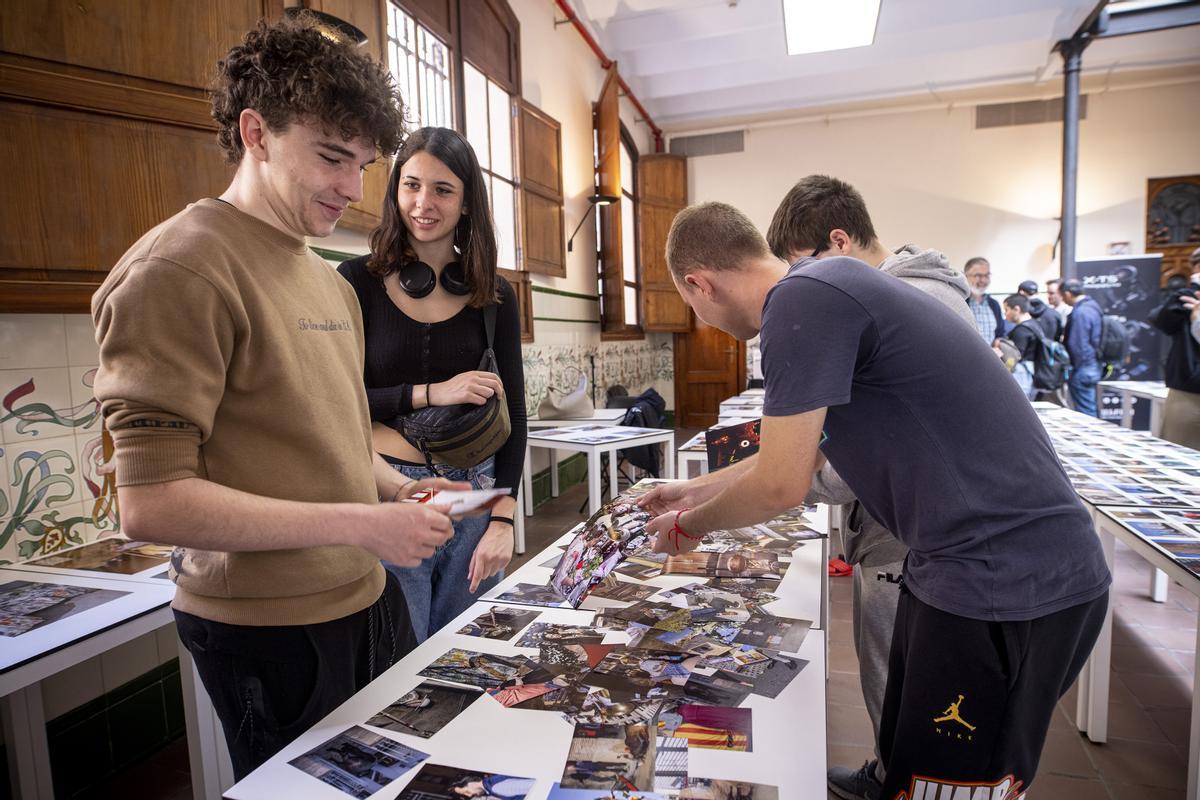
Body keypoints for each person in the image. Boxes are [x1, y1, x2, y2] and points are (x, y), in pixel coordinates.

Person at [90, 16, 468, 778]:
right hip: (269, 630)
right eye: (332, 158)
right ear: (256, 132)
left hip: (366, 601)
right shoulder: (180, 270)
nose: (353, 190)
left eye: (365, 165)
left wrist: (397, 488)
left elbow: (325, 439)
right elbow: (151, 504)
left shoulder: (322, 275)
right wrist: (365, 525)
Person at [639, 202, 1109, 800]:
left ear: (697, 283)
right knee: (910, 755)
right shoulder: (826, 287)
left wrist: (688, 526)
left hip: (1007, 581)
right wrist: (691, 488)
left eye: (692, 306)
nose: (702, 319)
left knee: (955, 785)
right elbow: (804, 454)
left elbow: (781, 485)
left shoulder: (800, 306)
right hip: (953, 560)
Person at [762, 174, 975, 799]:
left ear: (839, 240)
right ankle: (891, 772)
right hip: (895, 521)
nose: (802, 288)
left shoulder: (913, 302)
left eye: (804, 267)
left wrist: (784, 473)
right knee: (894, 674)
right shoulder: (901, 297)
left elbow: (873, 449)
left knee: (911, 682)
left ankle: (901, 782)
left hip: (914, 528)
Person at [337, 127, 527, 641]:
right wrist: (429, 393)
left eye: (443, 190)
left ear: (466, 203)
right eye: (411, 185)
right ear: (395, 188)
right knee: (401, 652)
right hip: (391, 488)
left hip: (473, 489)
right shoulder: (353, 282)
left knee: (469, 651)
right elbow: (338, 402)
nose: (423, 203)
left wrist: (502, 521)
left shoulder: (495, 295)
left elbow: (518, 418)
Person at [1149, 248, 1200, 449]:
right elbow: (1161, 319)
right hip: (1188, 389)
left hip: (1187, 388)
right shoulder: (1188, 299)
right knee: (1179, 453)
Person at [1061, 279, 1104, 417]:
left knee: (1086, 413)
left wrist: (1076, 366)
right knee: (1090, 408)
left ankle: (1093, 437)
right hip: (1093, 364)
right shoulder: (1093, 307)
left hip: (1084, 367)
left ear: (1067, 294)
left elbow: (1078, 344)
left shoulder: (1081, 312)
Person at [1001, 294, 1040, 400]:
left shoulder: (1021, 330)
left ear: (1017, 309)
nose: (1005, 314)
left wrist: (1005, 370)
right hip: (1033, 371)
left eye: (1006, 310)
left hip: (1022, 373)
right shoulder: (1035, 324)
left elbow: (1014, 356)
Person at [964, 257, 1003, 344]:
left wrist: (997, 344)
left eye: (987, 275)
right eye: (978, 275)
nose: (983, 280)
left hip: (990, 356)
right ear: (965, 276)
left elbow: (1000, 333)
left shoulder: (994, 304)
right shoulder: (960, 302)